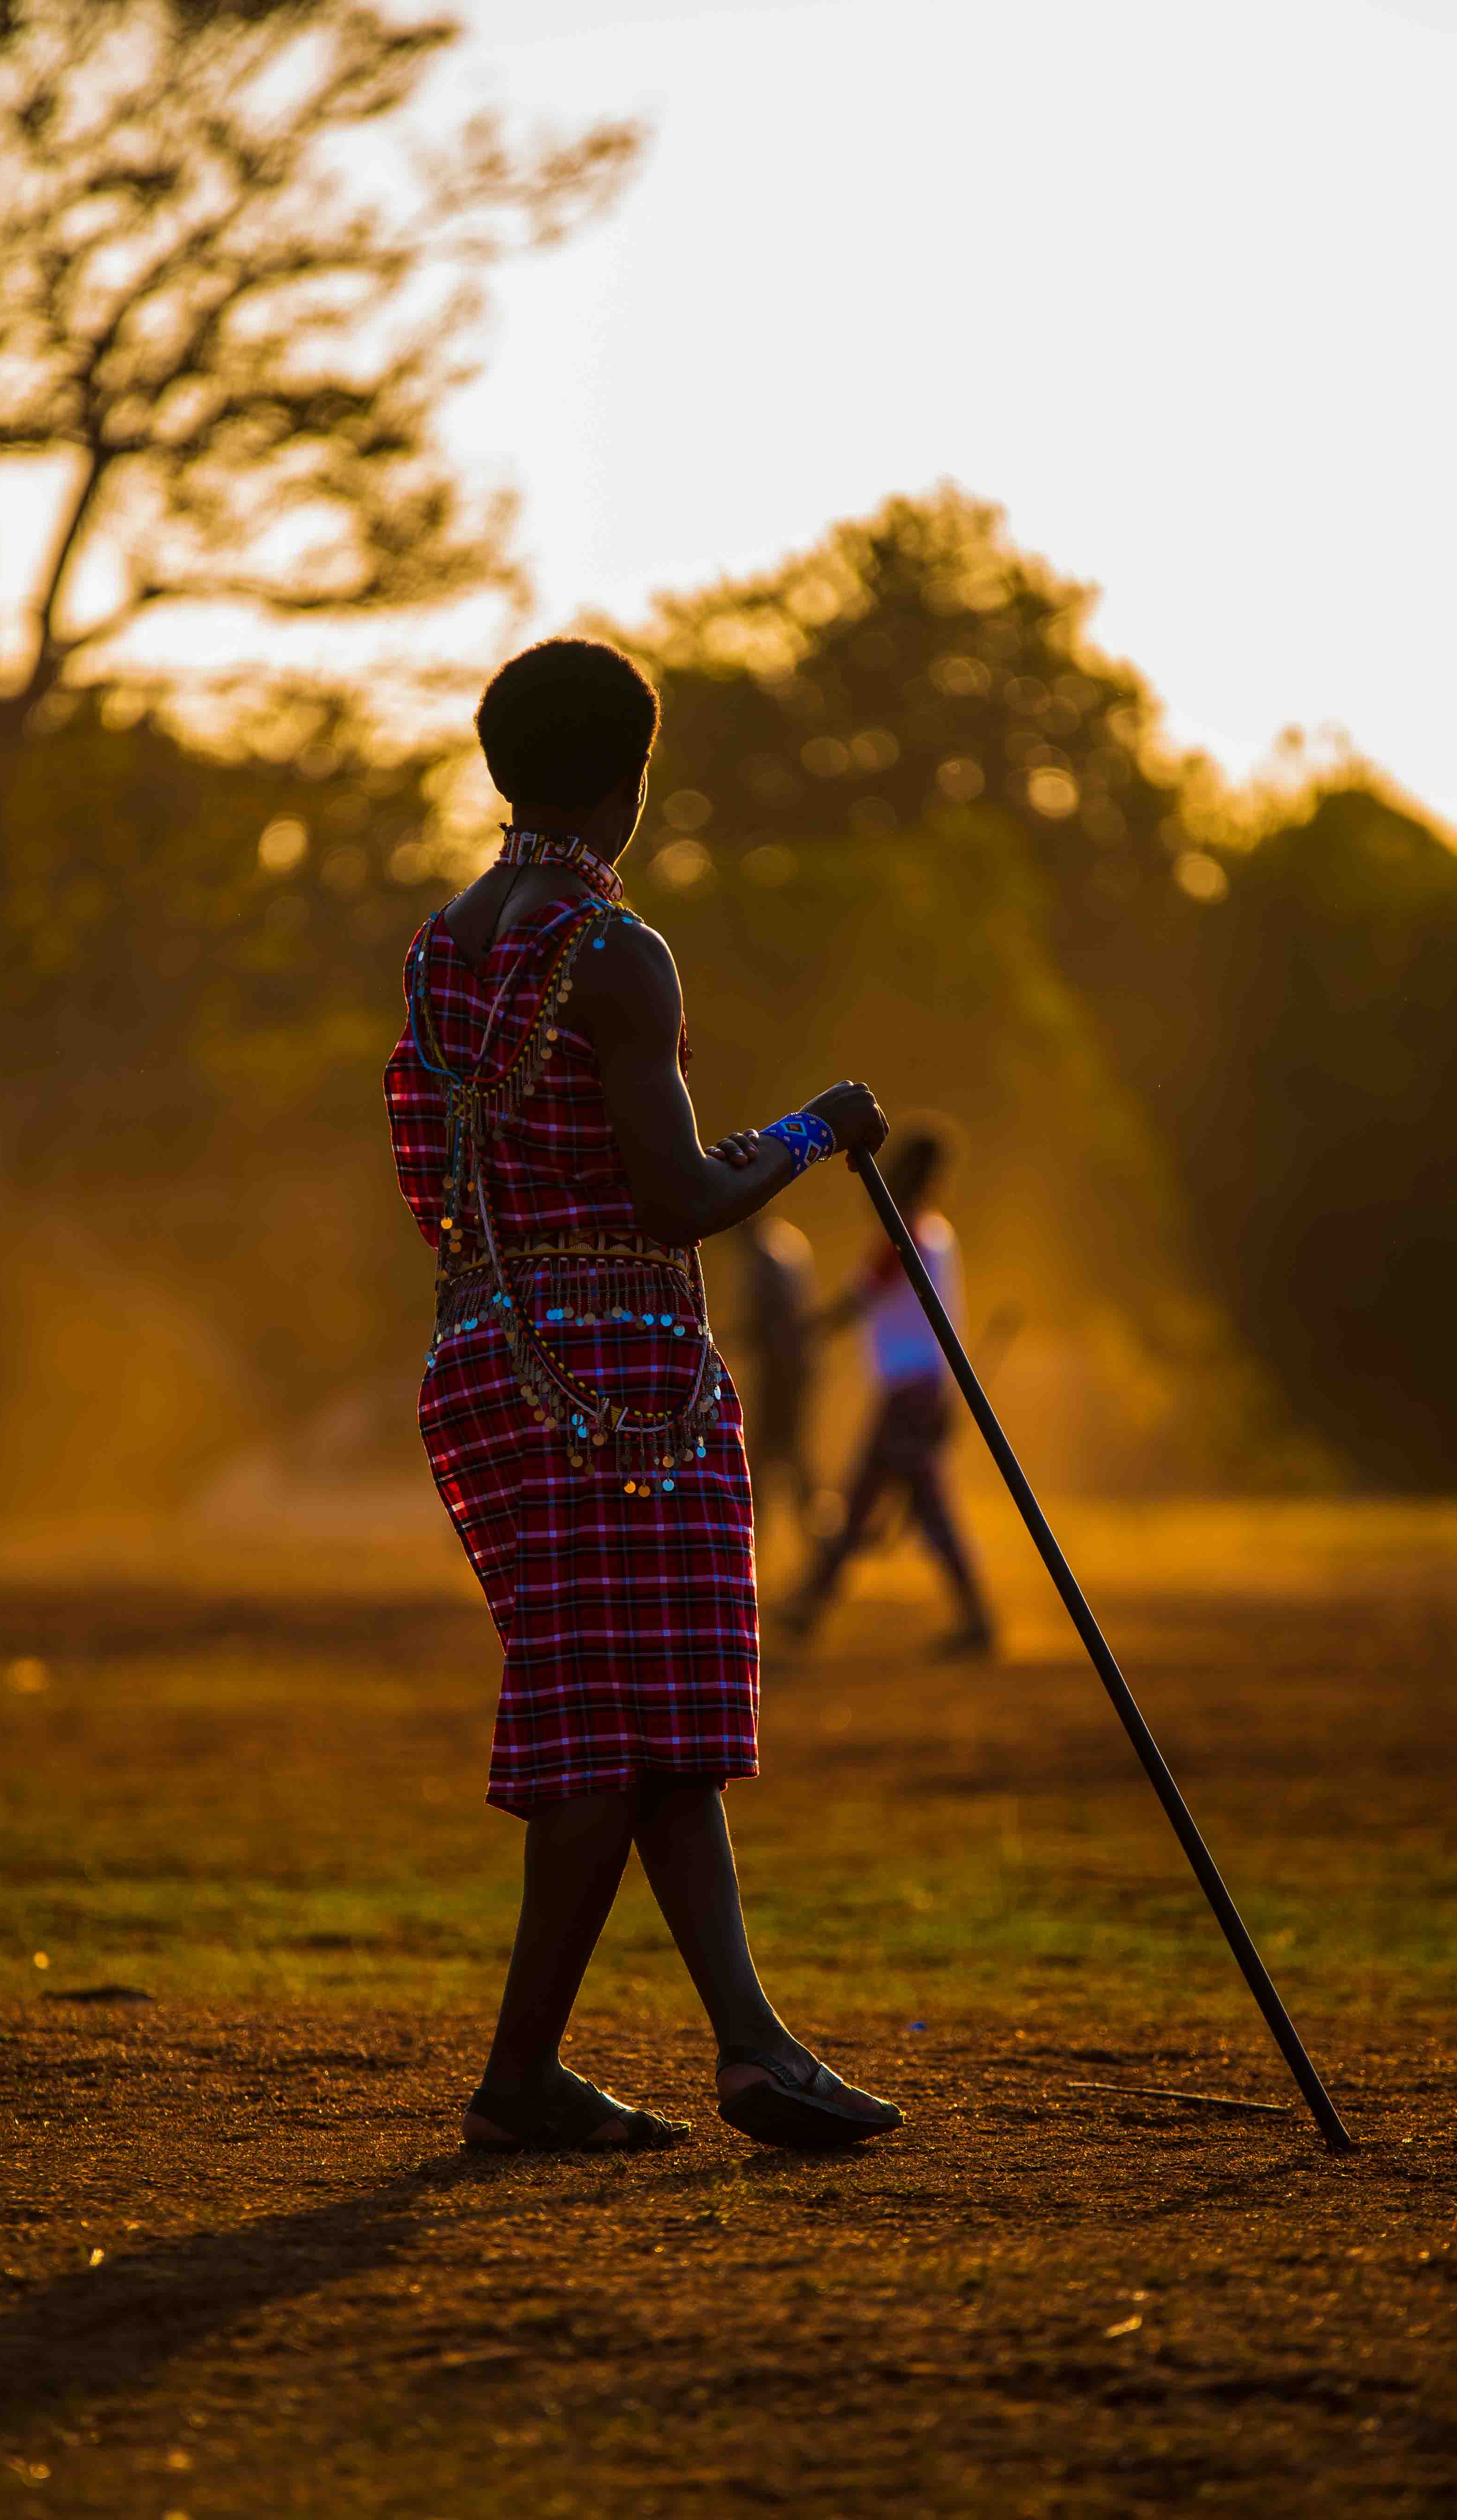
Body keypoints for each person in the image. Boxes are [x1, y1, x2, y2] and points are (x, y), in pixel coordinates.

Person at [383, 636, 901, 2154]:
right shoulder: (613, 949)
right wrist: (811, 1128)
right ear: (628, 784)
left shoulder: (441, 950)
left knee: (646, 1723)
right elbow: (673, 1195)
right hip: (606, 1374)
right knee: (612, 1734)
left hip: (482, 1350)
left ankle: (747, 2043)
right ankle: (520, 2076)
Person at [785, 1121, 997, 1655]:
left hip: (908, 1389)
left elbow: (864, 1293)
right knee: (875, 1501)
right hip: (922, 1386)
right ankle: (812, 1602)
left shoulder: (905, 1233)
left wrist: (812, 1330)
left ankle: (973, 1618)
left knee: (901, 1504)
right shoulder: (934, 1233)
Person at [731, 1211, 821, 1541]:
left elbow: (771, 1323)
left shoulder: (765, 1255)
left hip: (781, 1373)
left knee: (772, 1461)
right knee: (788, 1459)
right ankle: (821, 1539)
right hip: (794, 1369)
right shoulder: (788, 1241)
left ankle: (755, 1540)